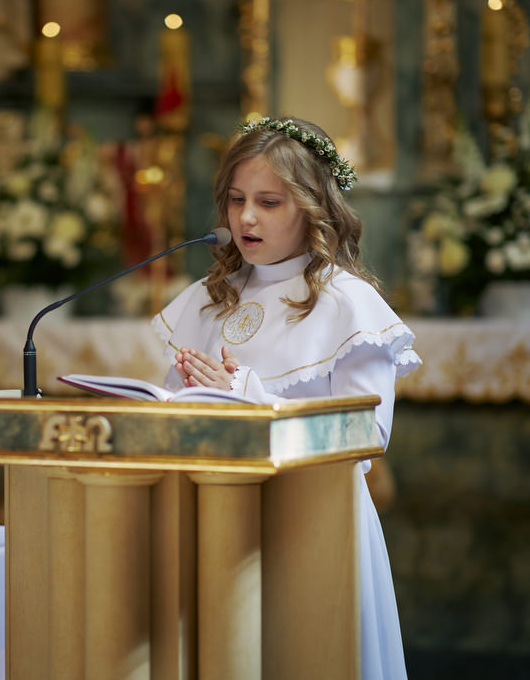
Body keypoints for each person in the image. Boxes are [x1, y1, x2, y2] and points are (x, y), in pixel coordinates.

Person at [152, 117, 420, 679]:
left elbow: (366, 433)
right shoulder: (209, 298)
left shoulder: (348, 304)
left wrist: (243, 395)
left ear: (313, 208)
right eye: (236, 199)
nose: (246, 218)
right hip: (210, 515)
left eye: (269, 202)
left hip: (312, 520)